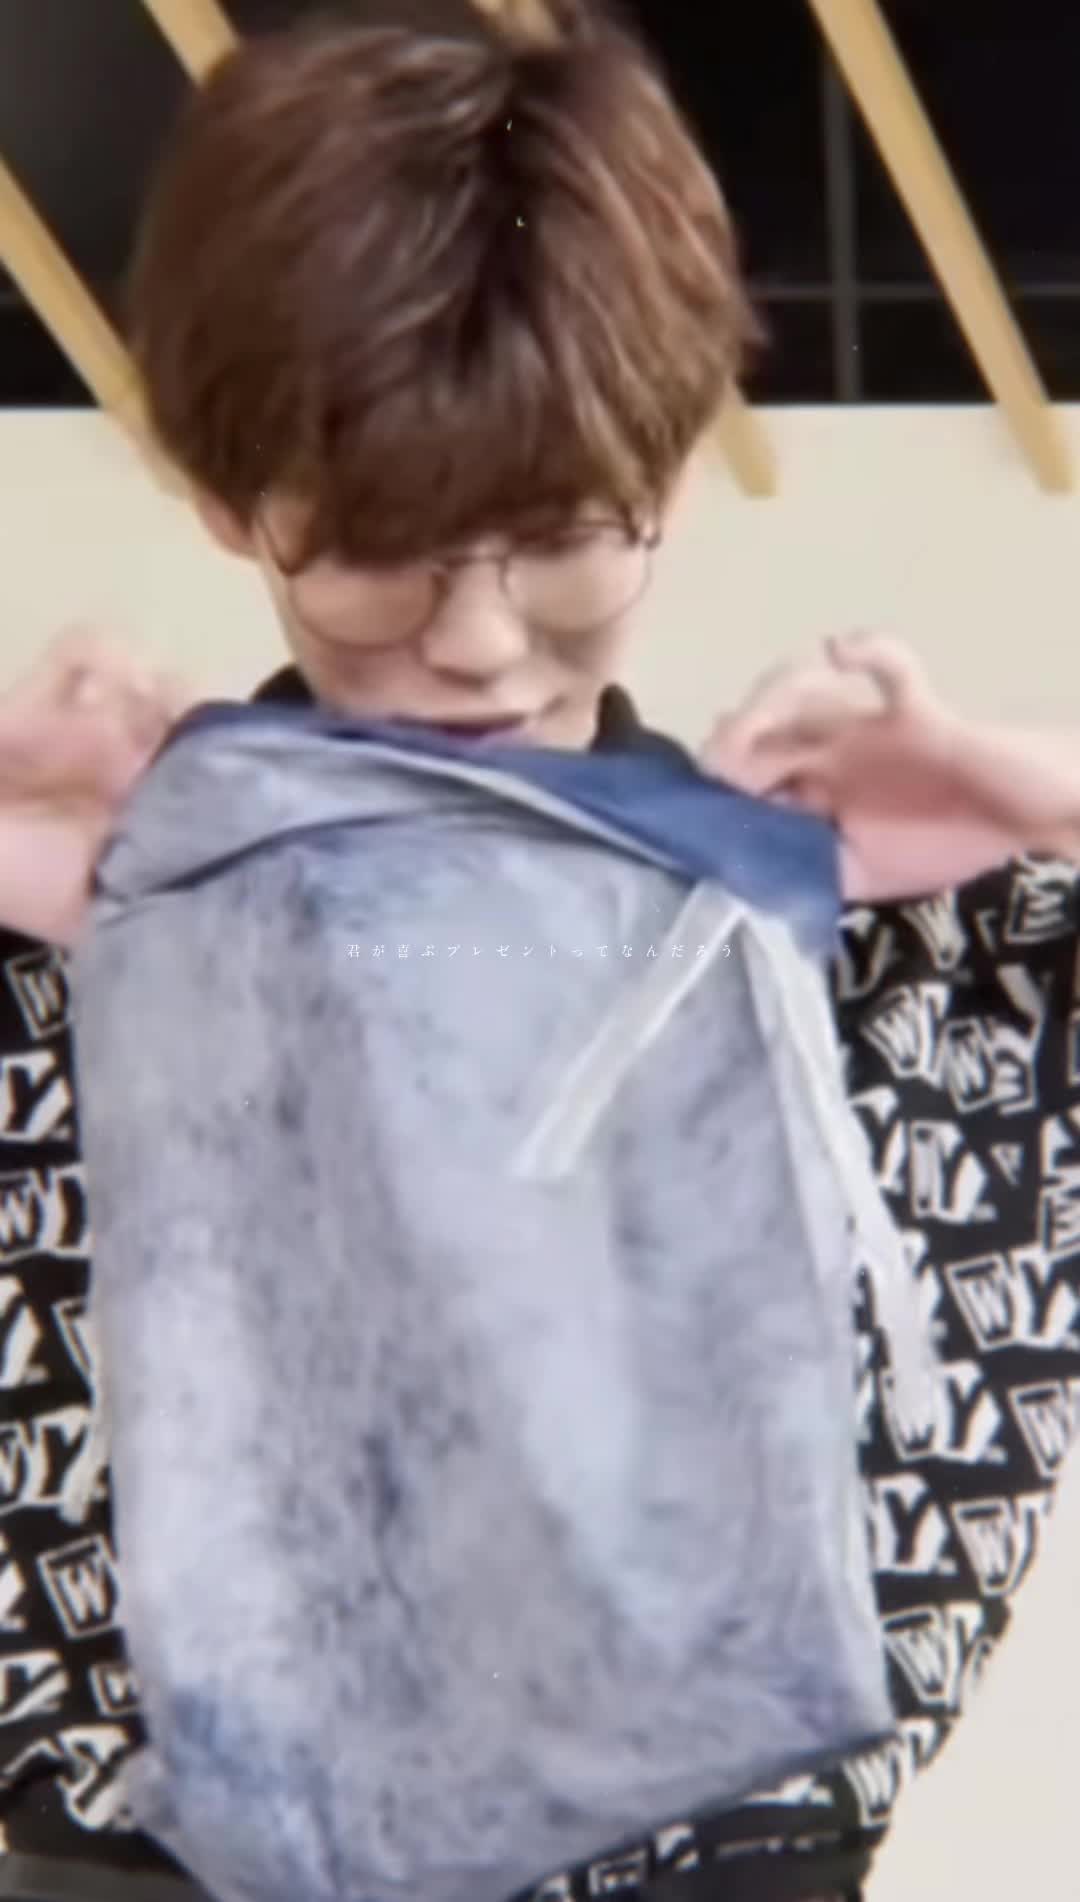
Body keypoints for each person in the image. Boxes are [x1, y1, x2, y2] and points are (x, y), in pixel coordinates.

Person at [1, 2, 1080, 1897]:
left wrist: (1036, 786)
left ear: (672, 475)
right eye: (376, 550)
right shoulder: (66, 938)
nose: (481, 640)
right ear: (231, 504)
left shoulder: (877, 951)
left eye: (568, 535)